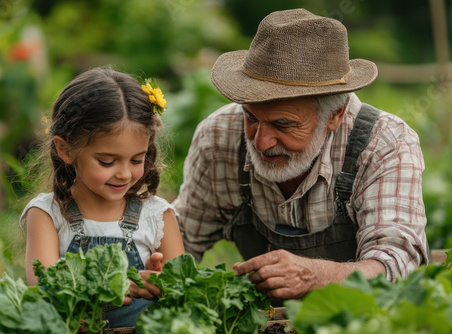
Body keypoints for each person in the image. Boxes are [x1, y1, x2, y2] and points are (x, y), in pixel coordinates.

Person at [173, 9, 428, 301]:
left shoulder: (384, 143)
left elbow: (395, 266)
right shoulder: (219, 137)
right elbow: (182, 241)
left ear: (335, 114)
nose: (261, 142)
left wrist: (316, 276)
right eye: (251, 117)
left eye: (283, 124)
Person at [20, 68, 184, 327]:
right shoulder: (47, 214)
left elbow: (183, 294)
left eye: (137, 159)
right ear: (66, 149)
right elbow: (44, 292)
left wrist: (160, 283)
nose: (124, 173)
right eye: (107, 161)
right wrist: (112, 286)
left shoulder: (157, 215)